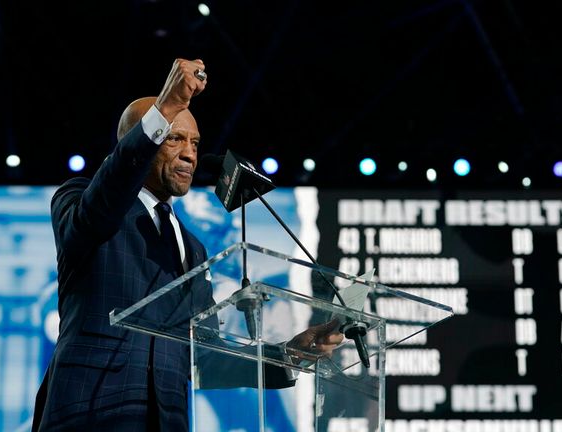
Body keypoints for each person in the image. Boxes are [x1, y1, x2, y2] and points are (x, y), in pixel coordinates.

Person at [31, 58, 343, 431]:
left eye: (195, 143)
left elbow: (203, 356)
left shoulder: (192, 247)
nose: (190, 154)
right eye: (174, 137)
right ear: (139, 140)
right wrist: (165, 107)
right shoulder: (80, 199)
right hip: (90, 413)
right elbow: (99, 210)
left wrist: (287, 355)